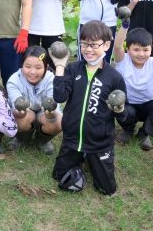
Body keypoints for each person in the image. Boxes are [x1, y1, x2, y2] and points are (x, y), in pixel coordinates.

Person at [51, 21, 130, 195]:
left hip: (99, 143)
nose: (88, 49)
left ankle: (91, 158)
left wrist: (120, 110)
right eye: (84, 44)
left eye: (94, 45)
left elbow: (126, 117)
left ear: (107, 45)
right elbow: (59, 97)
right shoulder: (73, 69)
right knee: (58, 176)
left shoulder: (114, 77)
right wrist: (59, 66)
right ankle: (79, 157)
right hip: (72, 139)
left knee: (107, 189)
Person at [112, 12, 153, 149]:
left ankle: (144, 133)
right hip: (128, 104)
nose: (141, 54)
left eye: (145, 50)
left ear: (151, 49)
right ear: (128, 50)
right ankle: (128, 130)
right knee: (120, 108)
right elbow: (117, 46)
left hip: (147, 105)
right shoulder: (123, 61)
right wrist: (125, 24)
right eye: (136, 50)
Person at [6, 46, 61, 154]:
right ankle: (22, 138)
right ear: (21, 66)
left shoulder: (52, 80)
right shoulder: (14, 81)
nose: (32, 72)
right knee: (21, 120)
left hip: (44, 112)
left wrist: (50, 113)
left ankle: (42, 141)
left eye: (38, 67)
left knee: (58, 122)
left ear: (46, 67)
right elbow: (16, 108)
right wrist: (20, 112)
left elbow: (54, 106)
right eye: (28, 66)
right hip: (25, 112)